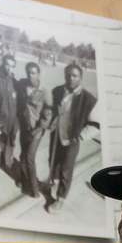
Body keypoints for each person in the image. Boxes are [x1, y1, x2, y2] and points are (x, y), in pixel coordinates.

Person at [46, 63, 97, 211]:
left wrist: (80, 136)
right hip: (56, 136)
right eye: (68, 75)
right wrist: (50, 123)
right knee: (53, 162)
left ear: (80, 78)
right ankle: (53, 183)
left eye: (74, 75)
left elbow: (96, 124)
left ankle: (60, 198)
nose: (70, 78)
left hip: (72, 140)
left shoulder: (88, 99)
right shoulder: (57, 91)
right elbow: (51, 111)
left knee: (66, 170)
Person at [15, 62, 48, 198]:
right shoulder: (23, 84)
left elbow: (48, 114)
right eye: (29, 73)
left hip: (37, 130)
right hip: (24, 127)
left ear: (38, 74)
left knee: (29, 158)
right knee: (23, 155)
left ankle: (34, 190)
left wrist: (39, 128)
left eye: (34, 73)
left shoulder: (44, 92)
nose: (31, 76)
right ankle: (24, 181)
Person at [0, 54, 19, 179]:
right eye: (7, 65)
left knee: (10, 142)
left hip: (13, 120)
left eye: (12, 66)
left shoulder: (14, 80)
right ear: (3, 64)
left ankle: (8, 163)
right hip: (1, 120)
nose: (9, 68)